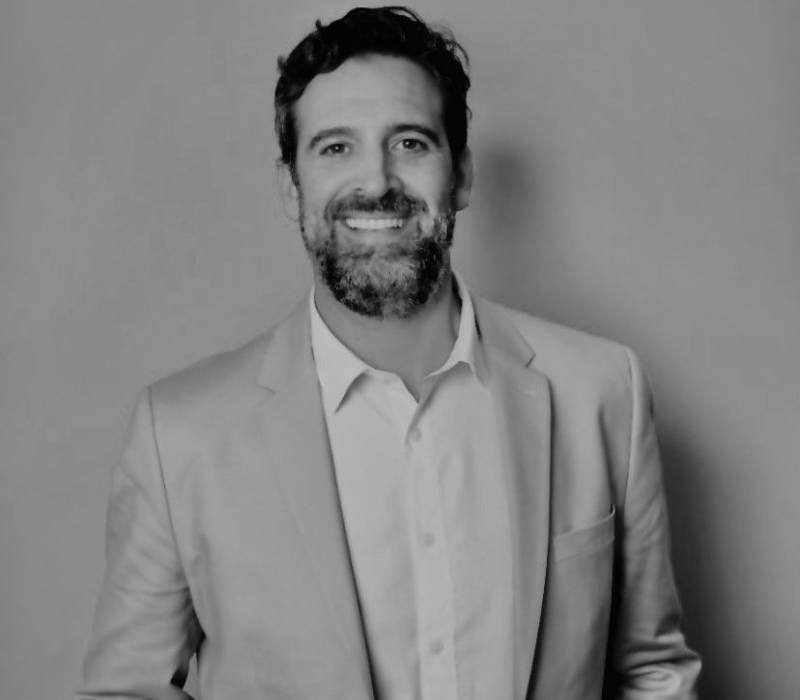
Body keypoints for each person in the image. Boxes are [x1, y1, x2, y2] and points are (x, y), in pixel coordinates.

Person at [78, 6, 701, 699]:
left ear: (461, 175)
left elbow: (652, 672)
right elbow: (126, 691)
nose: (376, 182)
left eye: (410, 142)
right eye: (335, 148)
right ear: (291, 186)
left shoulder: (602, 391)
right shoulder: (181, 435)